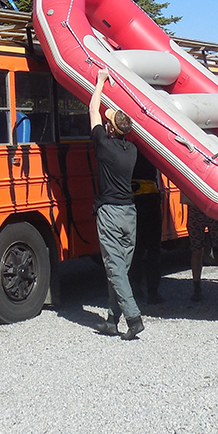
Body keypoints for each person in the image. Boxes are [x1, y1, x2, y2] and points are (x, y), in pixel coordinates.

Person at [89, 69, 144, 340]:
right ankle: (112, 320)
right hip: (129, 214)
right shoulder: (131, 151)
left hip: (109, 213)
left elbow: (92, 109)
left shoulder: (103, 146)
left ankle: (133, 318)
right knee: (120, 267)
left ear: (110, 129)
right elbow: (117, 123)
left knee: (114, 267)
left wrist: (100, 82)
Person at [128, 155, 163, 304]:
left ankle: (135, 284)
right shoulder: (150, 151)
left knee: (137, 246)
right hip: (150, 199)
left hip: (133, 200)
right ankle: (153, 291)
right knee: (153, 249)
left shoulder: (127, 150)